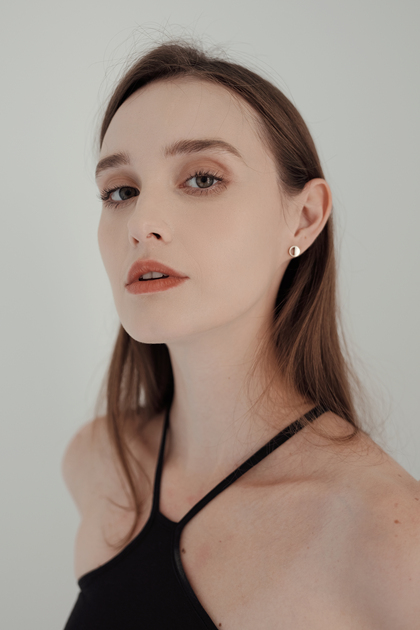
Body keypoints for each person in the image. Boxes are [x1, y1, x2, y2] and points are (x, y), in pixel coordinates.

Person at [62, 38, 420, 629]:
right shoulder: (98, 462)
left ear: (304, 217)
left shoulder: (386, 533)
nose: (142, 223)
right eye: (121, 191)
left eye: (202, 179)